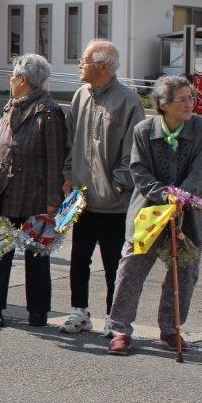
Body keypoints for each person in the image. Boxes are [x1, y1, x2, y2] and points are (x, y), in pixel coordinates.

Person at [107, 76, 202, 356]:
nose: (190, 103)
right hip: (149, 210)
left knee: (185, 273)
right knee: (131, 270)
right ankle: (120, 330)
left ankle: (170, 327)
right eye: (183, 99)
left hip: (187, 212)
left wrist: (180, 196)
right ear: (163, 104)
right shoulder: (143, 130)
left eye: (192, 98)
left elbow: (199, 171)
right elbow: (138, 170)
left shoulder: (201, 129)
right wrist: (165, 195)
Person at [60, 40, 145, 336]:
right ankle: (78, 311)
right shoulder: (81, 95)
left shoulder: (128, 100)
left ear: (104, 66)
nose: (79, 66)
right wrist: (68, 173)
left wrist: (118, 184)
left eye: (84, 61)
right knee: (79, 258)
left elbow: (134, 151)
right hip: (81, 197)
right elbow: (70, 140)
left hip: (114, 201)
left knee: (113, 263)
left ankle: (114, 316)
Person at [0, 54, 66, 328]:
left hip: (35, 195)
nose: (10, 80)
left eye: (13, 76)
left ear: (23, 80)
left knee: (37, 255)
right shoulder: (9, 107)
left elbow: (55, 159)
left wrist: (53, 201)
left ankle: (38, 311)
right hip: (4, 192)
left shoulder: (49, 111)